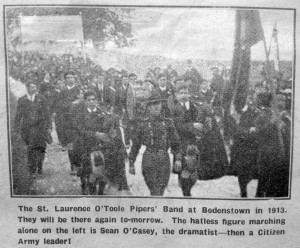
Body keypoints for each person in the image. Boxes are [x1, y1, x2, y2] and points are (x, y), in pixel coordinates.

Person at [73, 91, 128, 195]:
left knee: (103, 168)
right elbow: (79, 129)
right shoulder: (80, 115)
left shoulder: (103, 113)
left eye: (93, 99)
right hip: (87, 144)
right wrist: (94, 134)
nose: (91, 102)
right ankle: (87, 186)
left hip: (101, 145)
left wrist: (112, 127)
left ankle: (101, 190)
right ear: (85, 101)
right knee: (88, 169)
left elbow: (108, 128)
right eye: (89, 100)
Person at [129, 91, 181, 196]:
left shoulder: (168, 123)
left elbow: (176, 143)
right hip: (149, 159)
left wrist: (178, 159)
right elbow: (135, 145)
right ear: (148, 107)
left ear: (161, 105)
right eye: (153, 105)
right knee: (154, 190)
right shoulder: (143, 124)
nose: (156, 107)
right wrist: (131, 163)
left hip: (164, 160)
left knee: (160, 190)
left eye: (158, 104)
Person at [15, 82, 52, 175]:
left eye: (35, 87)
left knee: (41, 147)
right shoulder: (22, 100)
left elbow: (47, 113)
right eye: (32, 87)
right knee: (30, 148)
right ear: (27, 88)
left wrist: (49, 126)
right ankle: (31, 168)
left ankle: (40, 166)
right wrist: (16, 129)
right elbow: (18, 116)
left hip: (40, 127)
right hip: (28, 129)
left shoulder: (41, 99)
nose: (35, 89)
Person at [56, 71, 81, 174]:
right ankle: (73, 166)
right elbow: (59, 106)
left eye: (72, 77)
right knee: (70, 145)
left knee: (79, 145)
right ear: (65, 80)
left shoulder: (79, 89)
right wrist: (72, 104)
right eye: (68, 77)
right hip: (67, 122)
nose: (71, 79)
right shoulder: (62, 92)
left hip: (79, 122)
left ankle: (79, 164)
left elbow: (82, 103)